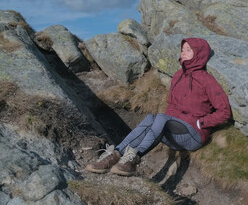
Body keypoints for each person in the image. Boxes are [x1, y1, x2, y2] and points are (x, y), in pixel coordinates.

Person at [85, 37, 231, 176]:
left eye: (188, 49)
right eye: (182, 49)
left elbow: (224, 112)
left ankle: (134, 159)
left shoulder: (206, 79)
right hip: (175, 131)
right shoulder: (178, 76)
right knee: (151, 118)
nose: (183, 52)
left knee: (160, 118)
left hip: (194, 135)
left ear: (198, 54)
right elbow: (171, 106)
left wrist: (202, 123)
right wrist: (162, 125)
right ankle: (115, 155)